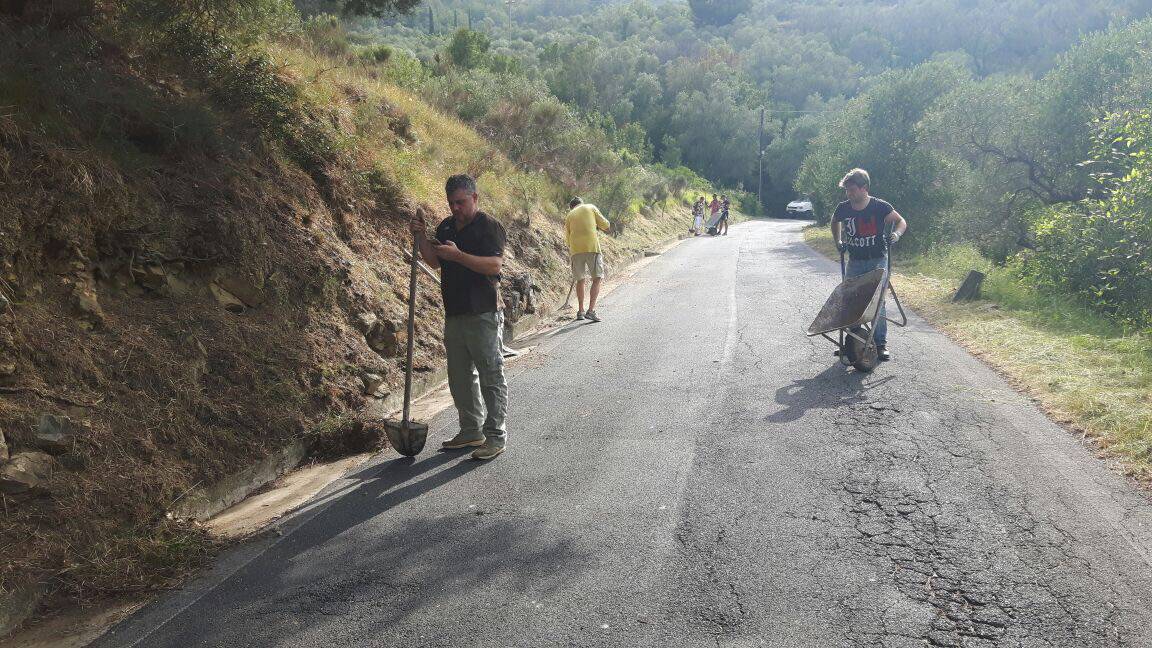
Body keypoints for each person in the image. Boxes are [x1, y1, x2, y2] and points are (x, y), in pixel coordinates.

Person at [409, 174, 509, 460]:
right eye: (451, 203)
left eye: (461, 202)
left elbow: (494, 265)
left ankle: (495, 436)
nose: (456, 208)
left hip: (483, 313)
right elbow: (435, 261)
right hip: (454, 313)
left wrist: (459, 256)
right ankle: (471, 430)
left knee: (491, 375)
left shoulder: (488, 226)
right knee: (460, 378)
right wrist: (421, 237)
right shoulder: (446, 226)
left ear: (475, 198)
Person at [830, 168, 908, 362]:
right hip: (855, 262)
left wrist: (896, 234)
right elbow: (834, 221)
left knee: (877, 302)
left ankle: (880, 344)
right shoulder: (843, 208)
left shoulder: (879, 207)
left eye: (853, 190)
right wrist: (838, 241)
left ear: (864, 188)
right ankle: (853, 343)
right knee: (851, 301)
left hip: (877, 261)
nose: (849, 194)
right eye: (847, 190)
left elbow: (900, 221)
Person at [564, 196, 610, 322]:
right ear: (581, 203)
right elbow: (606, 225)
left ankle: (580, 311)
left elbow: (567, 239)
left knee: (580, 280)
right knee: (597, 278)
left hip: (575, 250)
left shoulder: (569, 215)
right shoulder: (590, 207)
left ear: (572, 207)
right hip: (592, 248)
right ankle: (590, 311)